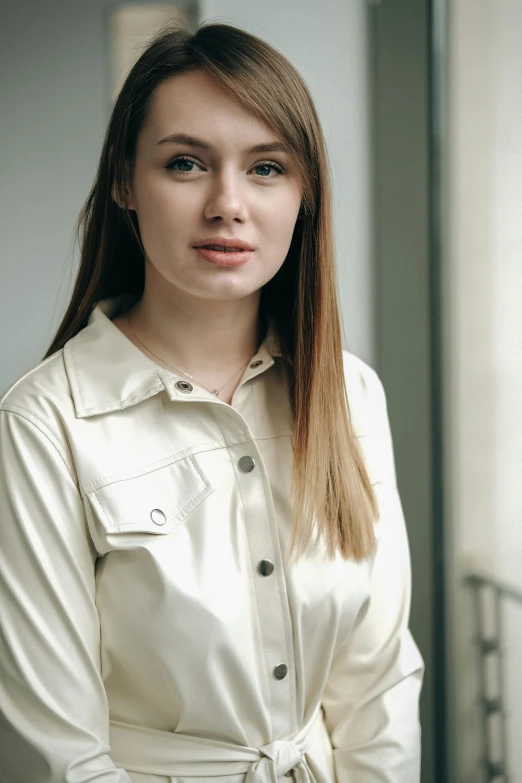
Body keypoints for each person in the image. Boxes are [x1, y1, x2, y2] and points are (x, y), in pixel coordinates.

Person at [0, 21, 424, 783]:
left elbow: (378, 684)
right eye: (187, 163)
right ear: (127, 181)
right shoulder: (42, 424)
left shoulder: (351, 395)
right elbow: (56, 753)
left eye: (266, 168)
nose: (228, 204)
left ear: (304, 196)